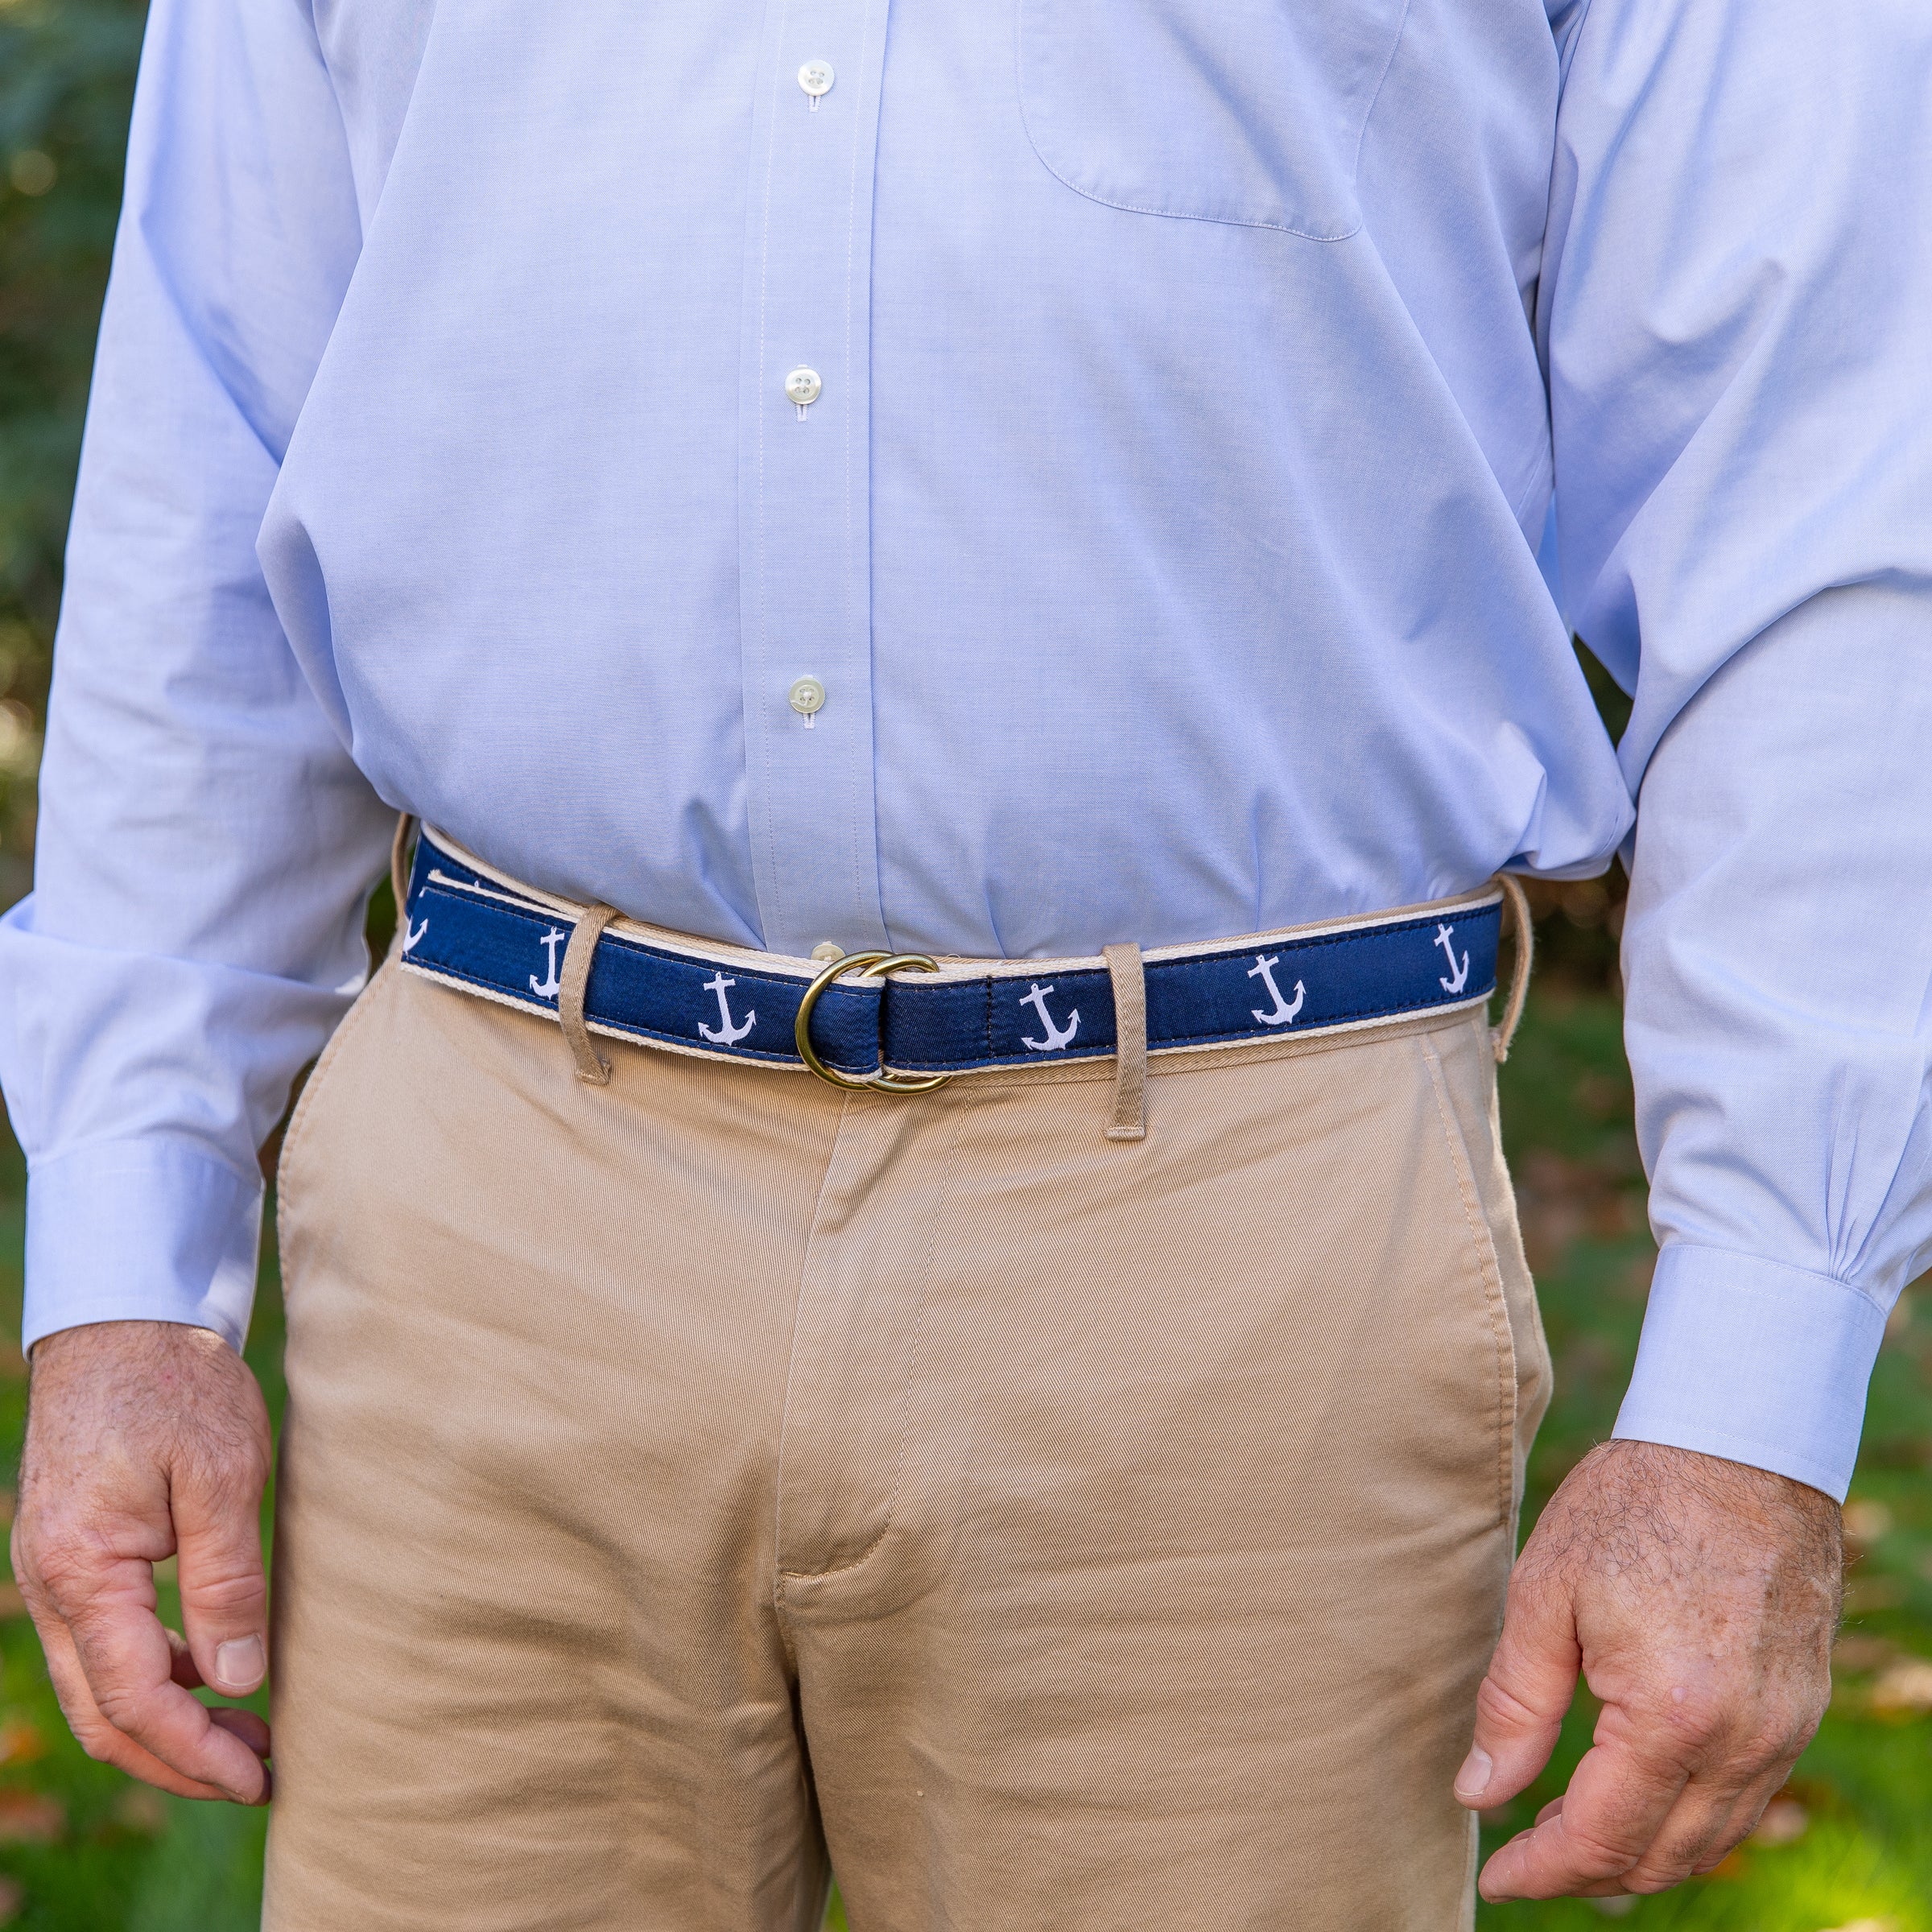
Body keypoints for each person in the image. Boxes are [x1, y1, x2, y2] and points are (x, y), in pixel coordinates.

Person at [2, 0, 1925, 1923]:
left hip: (1237, 1249)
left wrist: (1747, 1403)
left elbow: (1810, 511)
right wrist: (128, 1263)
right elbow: (212, 436)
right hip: (496, 1219)